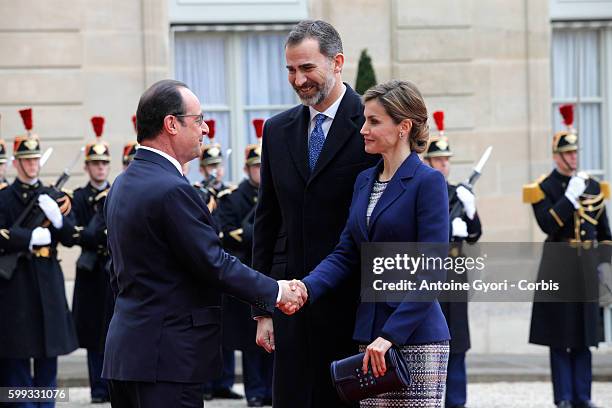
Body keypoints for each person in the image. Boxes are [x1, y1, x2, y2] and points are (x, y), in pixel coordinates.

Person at [102, 79, 306, 408]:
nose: (206, 129)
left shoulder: (123, 184)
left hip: (128, 353)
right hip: (167, 360)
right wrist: (277, 292)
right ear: (171, 124)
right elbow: (214, 264)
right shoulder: (171, 189)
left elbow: (118, 271)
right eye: (198, 120)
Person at [300, 80, 451, 407]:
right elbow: (346, 253)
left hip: (415, 337)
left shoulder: (429, 182)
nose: (363, 129)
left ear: (403, 127)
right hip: (369, 337)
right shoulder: (364, 181)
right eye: (365, 120)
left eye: (374, 121)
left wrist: (391, 335)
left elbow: (433, 268)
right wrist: (305, 288)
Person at [252, 20, 378, 407]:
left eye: (307, 68)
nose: (298, 79)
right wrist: (262, 309)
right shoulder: (277, 130)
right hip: (292, 307)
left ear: (337, 62)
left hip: (354, 310)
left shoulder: (373, 125)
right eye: (290, 69)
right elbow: (267, 221)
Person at [523, 104, 610, 408]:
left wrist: (605, 267)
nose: (573, 158)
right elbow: (547, 224)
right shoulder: (543, 187)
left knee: (585, 336)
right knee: (560, 336)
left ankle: (583, 396)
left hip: (586, 268)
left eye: (575, 153)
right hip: (558, 268)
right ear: (556, 156)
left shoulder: (593, 186)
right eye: (568, 154)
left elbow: (605, 233)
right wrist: (569, 197)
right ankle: (563, 397)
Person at [0, 108, 78, 407]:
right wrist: (27, 237)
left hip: (47, 282)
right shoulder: (4, 198)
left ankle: (45, 404)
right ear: (17, 162)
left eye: (35, 159)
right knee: (18, 358)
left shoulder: (52, 195)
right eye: (27, 160)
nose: (32, 165)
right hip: (16, 285)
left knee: (48, 356)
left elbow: (72, 238)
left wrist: (57, 220)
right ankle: (23, 405)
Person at [424, 110, 482, 408]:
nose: (445, 165)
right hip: (430, 276)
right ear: (429, 161)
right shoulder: (423, 191)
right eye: (439, 160)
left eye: (447, 160)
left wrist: (470, 214)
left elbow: (474, 235)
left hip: (455, 276)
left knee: (457, 342)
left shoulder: (457, 193)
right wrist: (449, 230)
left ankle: (457, 402)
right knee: (431, 343)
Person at [215, 119, 273, 407]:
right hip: (245, 272)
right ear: (246, 169)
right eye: (254, 167)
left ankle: (272, 390)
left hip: (268, 272)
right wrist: (248, 233)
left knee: (275, 336)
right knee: (252, 338)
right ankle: (255, 392)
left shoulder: (274, 192)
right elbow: (228, 234)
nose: (259, 171)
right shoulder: (234, 197)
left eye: (263, 166)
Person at [70, 116, 113, 404]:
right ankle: (97, 389)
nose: (100, 167)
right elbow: (74, 234)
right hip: (90, 270)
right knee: (91, 332)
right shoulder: (78, 196)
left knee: (113, 330)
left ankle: (112, 386)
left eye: (104, 163)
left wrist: (92, 233)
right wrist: (95, 232)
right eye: (95, 163)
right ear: (86, 166)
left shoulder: (118, 192)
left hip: (113, 270)